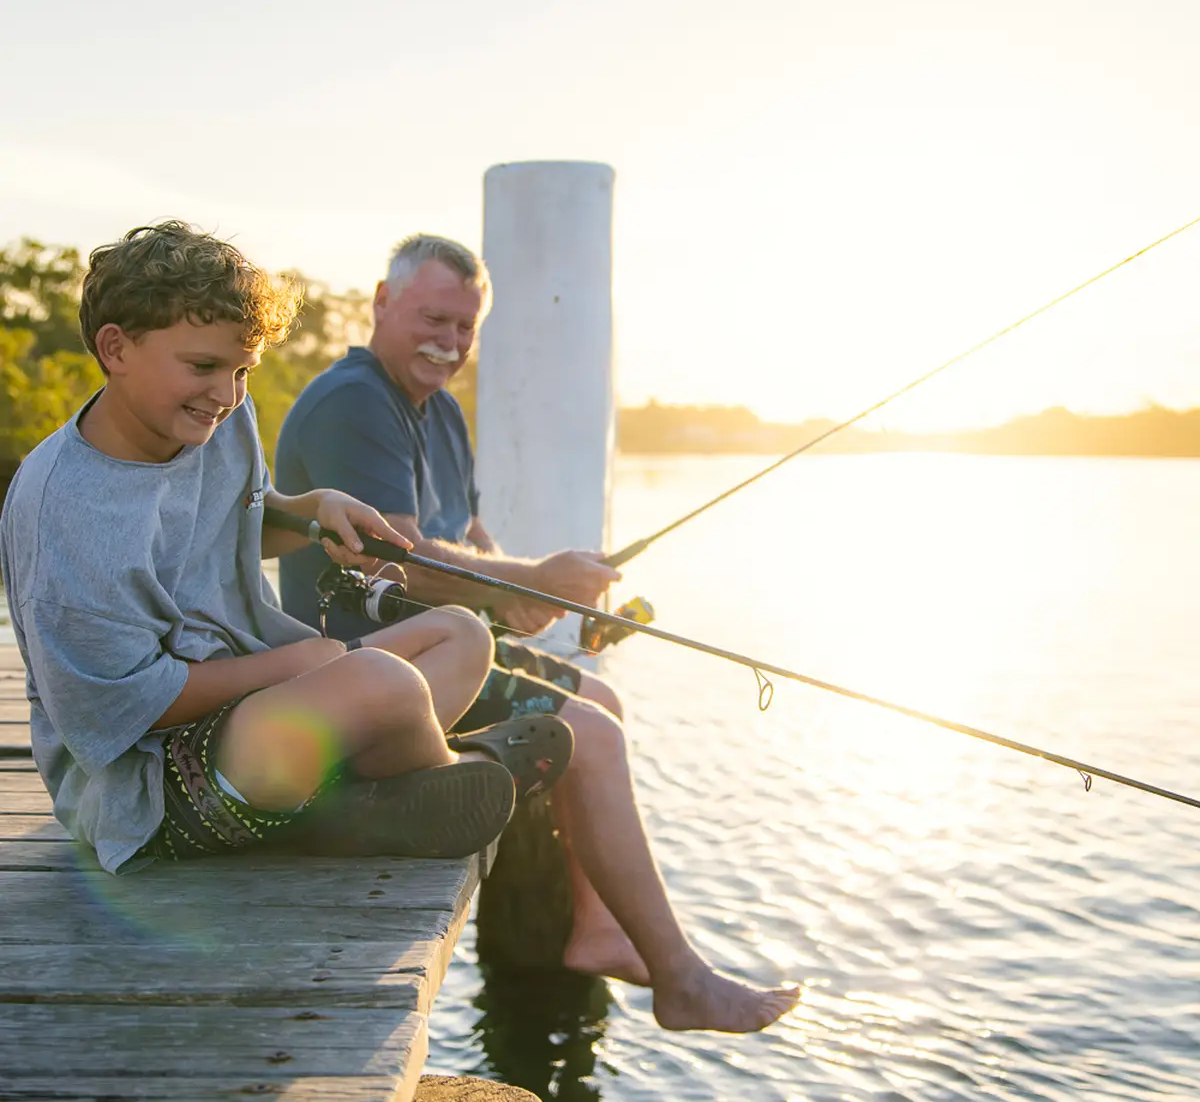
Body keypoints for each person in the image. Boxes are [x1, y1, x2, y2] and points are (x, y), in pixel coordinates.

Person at [275, 234, 800, 1032]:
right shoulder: (355, 400)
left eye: (464, 328)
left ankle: (595, 928)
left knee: (601, 701)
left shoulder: (438, 407)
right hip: (374, 665)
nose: (448, 343)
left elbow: (464, 531)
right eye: (433, 318)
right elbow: (401, 561)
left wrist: (518, 587)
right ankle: (681, 979)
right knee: (588, 734)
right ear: (382, 303)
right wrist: (534, 579)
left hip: (447, 640)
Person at [0, 221, 568, 880]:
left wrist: (311, 510)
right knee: (383, 682)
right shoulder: (66, 510)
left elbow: (237, 519)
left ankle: (354, 799)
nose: (227, 394)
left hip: (257, 706)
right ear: (116, 347)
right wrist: (289, 666)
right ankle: (442, 777)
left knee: (462, 635)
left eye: (243, 370)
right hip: (149, 787)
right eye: (204, 366)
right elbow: (123, 708)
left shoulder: (210, 418)